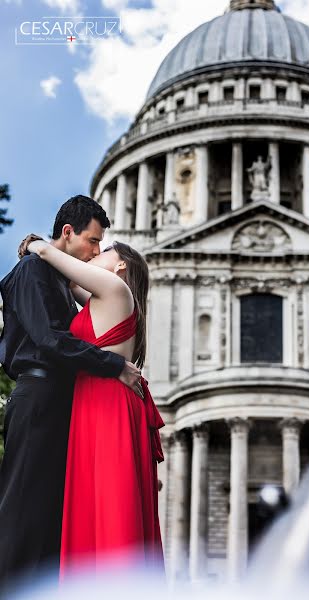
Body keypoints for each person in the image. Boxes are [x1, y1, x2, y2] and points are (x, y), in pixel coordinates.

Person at [0, 196, 142, 586]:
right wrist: (113, 365)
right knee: (22, 509)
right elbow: (49, 340)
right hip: (38, 398)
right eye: (94, 242)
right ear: (68, 233)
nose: (96, 251)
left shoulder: (61, 279)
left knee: (49, 516)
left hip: (60, 404)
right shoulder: (32, 270)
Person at [23, 237, 165, 576]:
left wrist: (33, 245)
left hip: (105, 401)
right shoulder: (108, 297)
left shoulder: (115, 289)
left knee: (108, 499)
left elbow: (46, 253)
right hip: (100, 398)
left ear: (121, 266)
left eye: (104, 251)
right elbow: (71, 281)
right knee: (99, 500)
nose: (95, 253)